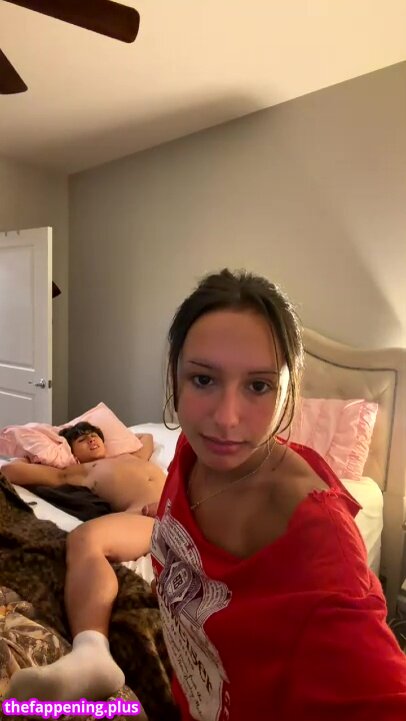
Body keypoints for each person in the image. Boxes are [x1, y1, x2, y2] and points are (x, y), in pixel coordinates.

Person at [145, 268, 406, 721]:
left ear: (289, 390)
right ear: (176, 376)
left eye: (258, 386)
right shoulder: (191, 451)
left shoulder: (318, 535)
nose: (226, 419)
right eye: (203, 380)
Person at [3, 421, 165, 702]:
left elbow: (147, 436)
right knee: (84, 539)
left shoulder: (132, 456)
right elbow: (10, 471)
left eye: (94, 435)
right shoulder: (79, 472)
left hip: (186, 508)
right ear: (74, 454)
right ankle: (92, 653)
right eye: (81, 440)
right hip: (146, 517)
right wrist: (50, 450)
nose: (90, 439)